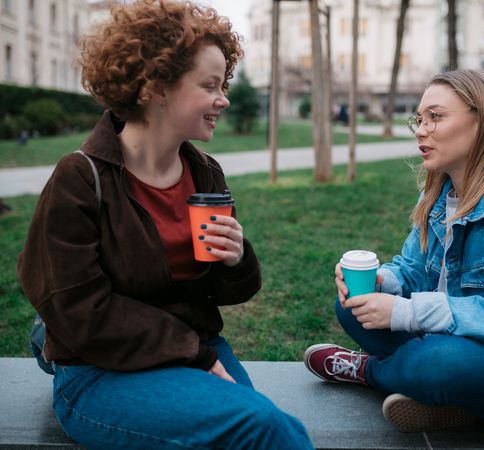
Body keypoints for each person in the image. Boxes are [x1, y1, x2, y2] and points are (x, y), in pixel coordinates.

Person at [17, 1, 313, 449]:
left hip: (192, 345)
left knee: (274, 429)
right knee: (263, 430)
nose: (224, 99)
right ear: (157, 87)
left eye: (223, 84)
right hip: (100, 369)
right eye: (210, 85)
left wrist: (236, 258)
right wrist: (194, 355)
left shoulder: (204, 172)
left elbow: (229, 292)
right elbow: (78, 309)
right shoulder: (80, 179)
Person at [304, 69, 484, 442]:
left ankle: (371, 371)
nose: (421, 130)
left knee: (439, 363)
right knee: (351, 306)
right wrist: (383, 281)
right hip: (455, 338)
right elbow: (412, 270)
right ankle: (447, 397)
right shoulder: (441, 196)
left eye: (436, 117)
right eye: (419, 119)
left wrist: (403, 312)